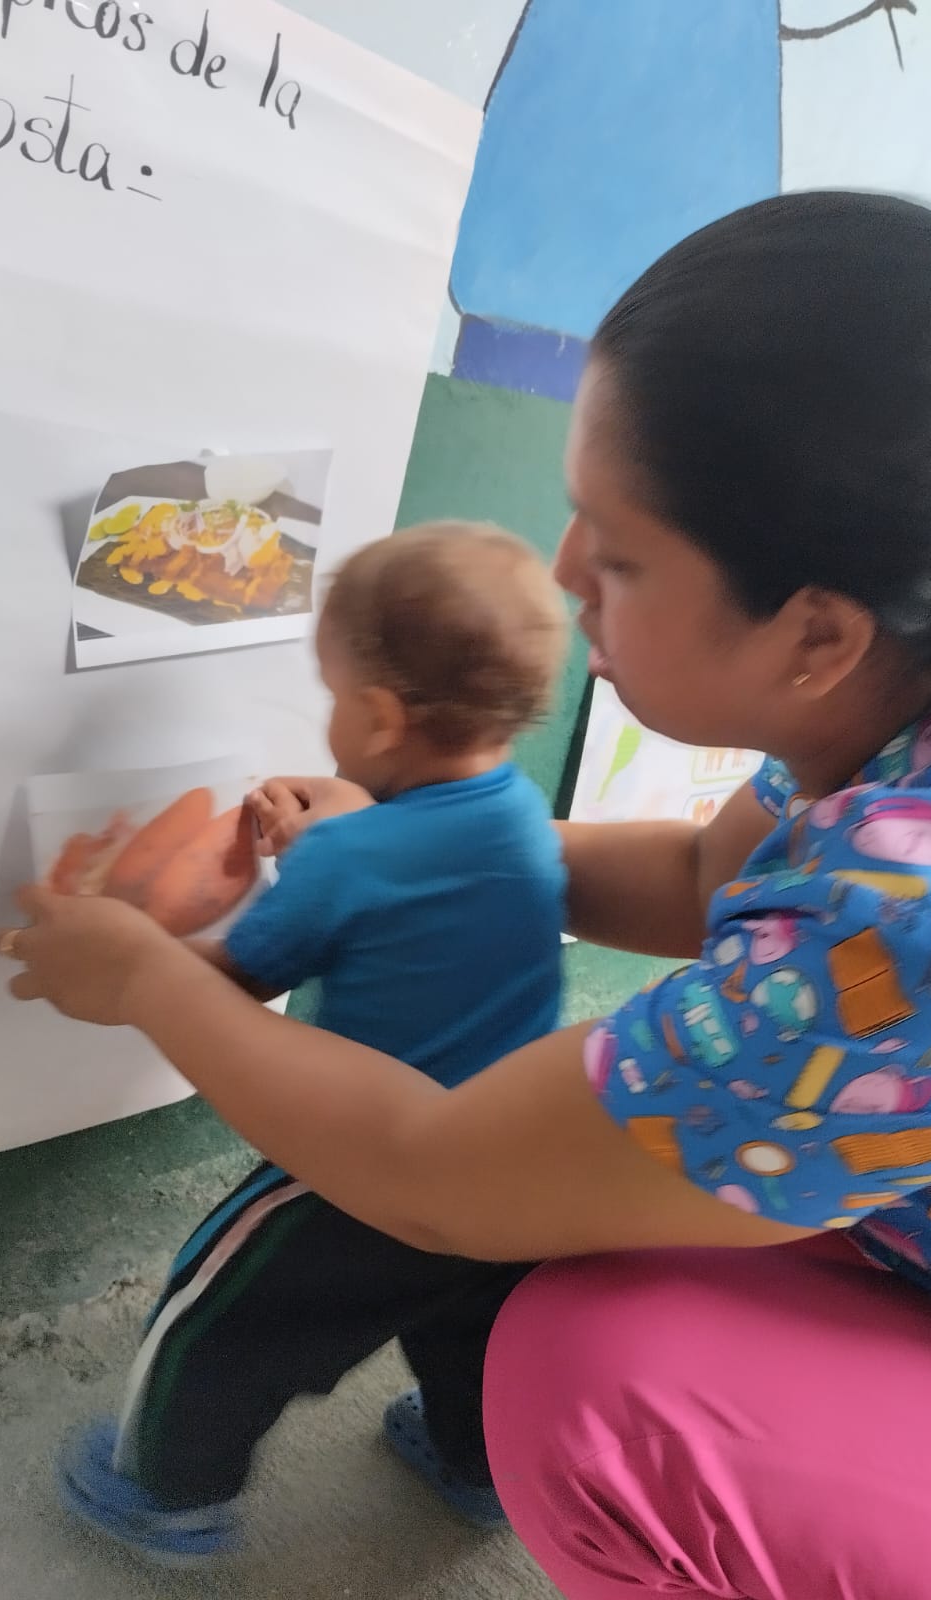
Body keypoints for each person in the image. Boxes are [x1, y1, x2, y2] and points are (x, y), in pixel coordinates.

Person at [0, 194, 931, 1598]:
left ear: (818, 633)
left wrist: (144, 975)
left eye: (619, 550)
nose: (566, 570)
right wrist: (422, 844)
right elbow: (703, 878)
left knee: (591, 1381)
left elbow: (434, 1176)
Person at [52, 522, 569, 1559]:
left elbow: (230, 985)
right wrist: (345, 838)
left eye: (332, 695)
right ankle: (476, 1472)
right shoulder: (521, 811)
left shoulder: (348, 861)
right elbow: (415, 878)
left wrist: (126, 932)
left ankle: (164, 1496)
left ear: (378, 717)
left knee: (220, 1317)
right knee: (478, 1332)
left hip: (362, 1168)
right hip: (516, 1157)